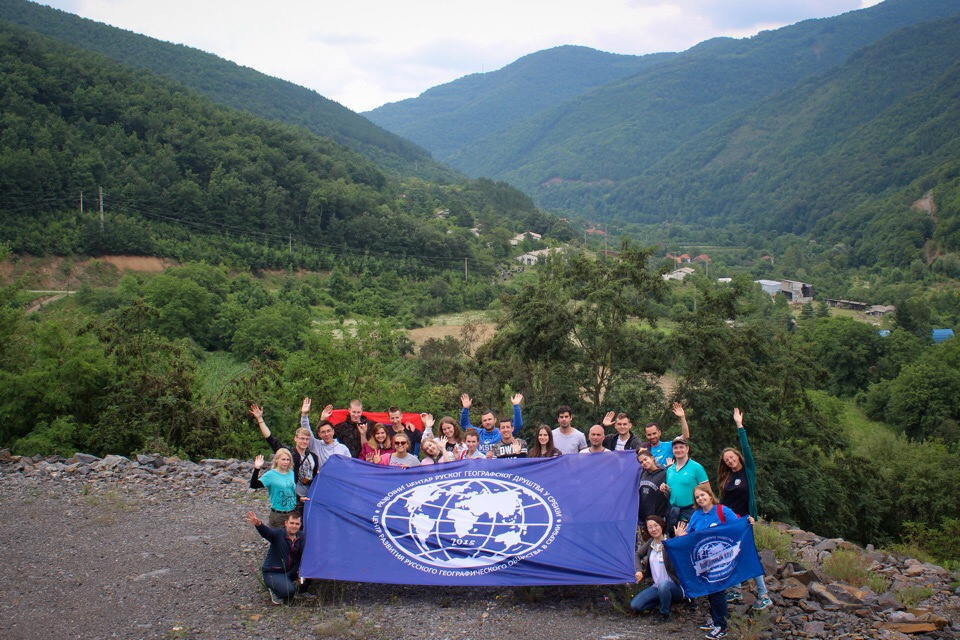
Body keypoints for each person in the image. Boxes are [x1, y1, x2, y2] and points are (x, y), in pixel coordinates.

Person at [675, 485, 754, 640]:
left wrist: (748, 521)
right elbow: (689, 536)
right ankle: (716, 619)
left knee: (717, 591)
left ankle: (721, 626)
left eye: (702, 495)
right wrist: (680, 535)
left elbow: (737, 526)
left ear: (710, 495)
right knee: (711, 591)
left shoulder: (722, 511)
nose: (700, 499)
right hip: (705, 561)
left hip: (722, 559)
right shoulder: (696, 515)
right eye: (697, 497)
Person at [718, 408, 772, 610]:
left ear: (738, 457)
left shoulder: (748, 471)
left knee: (748, 554)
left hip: (745, 520)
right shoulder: (726, 477)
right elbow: (723, 502)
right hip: (730, 521)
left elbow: (746, 447)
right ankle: (736, 590)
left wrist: (739, 425)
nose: (730, 461)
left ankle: (764, 594)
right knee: (732, 553)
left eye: (732, 457)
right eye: (727, 460)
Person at [249, 403, 319, 511]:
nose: (304, 441)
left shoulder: (313, 457)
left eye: (307, 439)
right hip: (293, 496)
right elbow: (271, 439)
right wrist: (260, 419)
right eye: (302, 438)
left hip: (309, 495)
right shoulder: (289, 453)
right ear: (295, 439)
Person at [244, 510, 305, 605]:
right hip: (274, 572)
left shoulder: (301, 536)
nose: (294, 526)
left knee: (307, 576)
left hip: (291, 570)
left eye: (297, 524)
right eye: (292, 523)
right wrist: (258, 524)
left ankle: (290, 583)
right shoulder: (278, 534)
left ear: (300, 525)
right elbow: (267, 533)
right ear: (286, 523)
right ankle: (274, 590)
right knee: (289, 591)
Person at [632, 515, 685, 622]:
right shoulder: (650, 543)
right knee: (635, 605)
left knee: (664, 585)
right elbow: (637, 555)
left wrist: (679, 539)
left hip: (675, 586)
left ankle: (664, 613)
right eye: (650, 527)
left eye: (656, 525)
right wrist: (639, 570)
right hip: (656, 587)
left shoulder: (670, 542)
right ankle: (664, 600)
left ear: (661, 525)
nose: (654, 529)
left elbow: (681, 555)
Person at [660, 435, 709, 534]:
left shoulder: (696, 467)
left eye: (681, 447)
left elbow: (707, 491)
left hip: (693, 511)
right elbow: (670, 494)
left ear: (687, 449)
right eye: (675, 448)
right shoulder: (670, 470)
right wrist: (665, 490)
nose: (678, 450)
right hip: (674, 512)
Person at [250, 449, 299, 528]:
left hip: (292, 513)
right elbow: (254, 485)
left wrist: (300, 498)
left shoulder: (291, 473)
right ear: (276, 460)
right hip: (278, 515)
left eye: (288, 460)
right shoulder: (271, 474)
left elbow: (291, 491)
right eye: (283, 459)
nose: (286, 462)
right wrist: (257, 468)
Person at [300, 398, 352, 467]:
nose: (326, 434)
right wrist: (304, 414)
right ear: (319, 434)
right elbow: (306, 430)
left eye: (328, 431)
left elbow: (349, 466)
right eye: (323, 432)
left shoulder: (342, 448)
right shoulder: (316, 446)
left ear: (333, 431)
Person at [645, 402, 691, 467]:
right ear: (646, 435)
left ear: (659, 432)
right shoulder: (645, 450)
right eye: (649, 435)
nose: (652, 436)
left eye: (654, 433)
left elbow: (686, 436)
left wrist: (682, 417)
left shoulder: (669, 445)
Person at [637, 449, 670, 531]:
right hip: (643, 518)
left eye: (645, 459)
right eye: (641, 462)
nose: (644, 463)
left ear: (652, 458)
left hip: (658, 518)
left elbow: (670, 493)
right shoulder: (643, 474)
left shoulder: (665, 473)